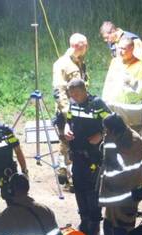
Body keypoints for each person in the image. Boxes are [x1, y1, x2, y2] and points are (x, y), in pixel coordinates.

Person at [62, 78, 111, 235]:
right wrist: (67, 128)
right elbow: (69, 119)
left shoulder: (97, 103)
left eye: (76, 93)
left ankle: (95, 229)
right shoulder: (72, 104)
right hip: (77, 155)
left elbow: (111, 123)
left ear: (84, 90)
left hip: (93, 157)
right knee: (79, 189)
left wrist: (101, 134)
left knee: (93, 192)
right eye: (71, 94)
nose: (74, 97)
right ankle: (84, 221)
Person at [96, 113, 142, 235]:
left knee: (122, 230)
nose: (105, 133)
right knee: (109, 227)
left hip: (126, 196)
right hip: (113, 196)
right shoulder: (117, 137)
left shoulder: (133, 141)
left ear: (115, 129)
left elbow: (117, 165)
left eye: (107, 130)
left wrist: (109, 145)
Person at [53, 33, 90, 189]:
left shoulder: (79, 62)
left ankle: (65, 170)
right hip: (68, 112)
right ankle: (69, 177)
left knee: (73, 142)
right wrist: (68, 114)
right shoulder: (62, 64)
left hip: (79, 109)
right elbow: (59, 91)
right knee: (67, 143)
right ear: (77, 46)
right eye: (85, 45)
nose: (87, 48)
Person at [101, 37, 142, 137]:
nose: (120, 51)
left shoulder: (141, 65)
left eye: (124, 49)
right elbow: (108, 82)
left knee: (133, 138)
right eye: (119, 48)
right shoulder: (115, 62)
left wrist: (134, 83)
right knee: (113, 136)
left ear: (132, 49)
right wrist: (105, 101)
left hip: (131, 112)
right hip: (114, 108)